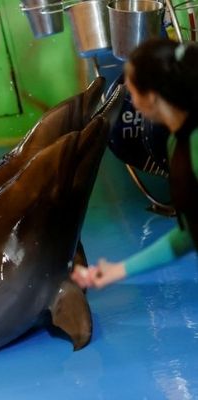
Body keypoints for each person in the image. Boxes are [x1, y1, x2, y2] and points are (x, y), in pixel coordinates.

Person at [72, 38, 198, 289]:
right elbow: (191, 234)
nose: (126, 87)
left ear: (150, 97)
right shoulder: (177, 143)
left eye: (131, 83)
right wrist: (117, 271)